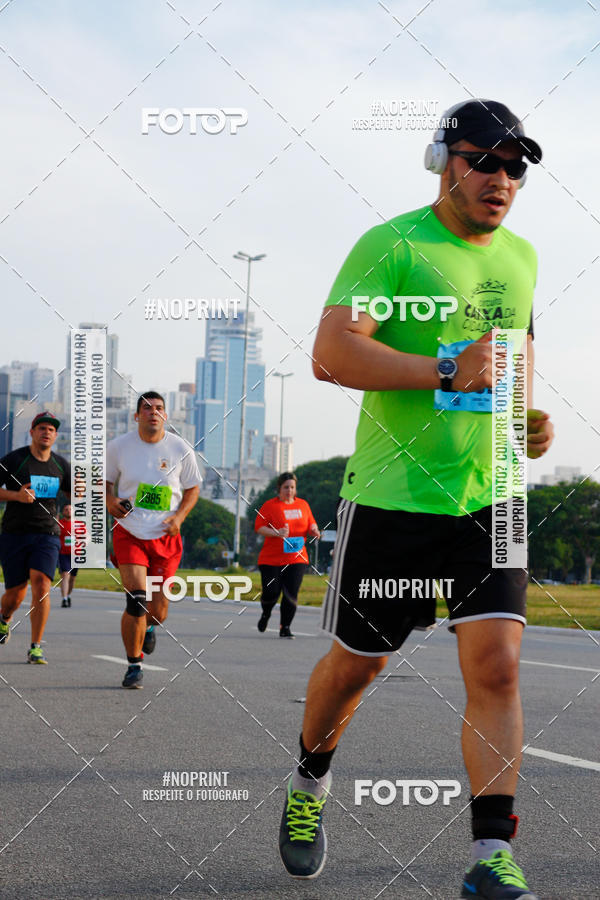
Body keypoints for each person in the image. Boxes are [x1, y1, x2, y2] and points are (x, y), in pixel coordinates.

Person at [278, 100, 555, 900]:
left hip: (492, 497)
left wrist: (527, 425)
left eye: (515, 166)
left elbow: (512, 357)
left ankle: (490, 855)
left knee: (498, 669)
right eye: (483, 160)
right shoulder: (392, 245)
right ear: (443, 160)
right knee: (357, 669)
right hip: (395, 497)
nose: (500, 179)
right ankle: (308, 784)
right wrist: (440, 371)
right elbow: (332, 353)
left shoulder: (523, 258)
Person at [106, 391, 201, 689]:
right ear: (137, 415)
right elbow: (104, 484)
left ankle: (148, 628)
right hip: (130, 531)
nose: (153, 412)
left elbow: (193, 488)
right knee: (135, 598)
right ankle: (134, 664)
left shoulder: (180, 448)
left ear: (166, 415)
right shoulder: (119, 447)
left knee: (157, 611)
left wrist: (179, 518)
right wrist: (110, 502)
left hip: (164, 536)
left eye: (159, 408)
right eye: (147, 408)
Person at [0, 412, 71, 664]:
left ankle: (35, 646)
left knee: (42, 585)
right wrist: (16, 496)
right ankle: (4, 618)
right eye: (42, 428)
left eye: (51, 430)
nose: (46, 433)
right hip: (14, 534)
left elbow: (76, 492)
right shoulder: (15, 460)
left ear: (55, 436)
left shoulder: (61, 465)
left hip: (47, 533)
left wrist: (72, 505)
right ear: (32, 432)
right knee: (15, 593)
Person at [254, 472, 320, 638]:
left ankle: (285, 627)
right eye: (286, 487)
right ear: (279, 489)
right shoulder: (270, 506)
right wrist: (276, 532)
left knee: (291, 593)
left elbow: (311, 523)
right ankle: (266, 613)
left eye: (292, 487)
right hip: (271, 559)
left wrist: (314, 530)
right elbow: (259, 527)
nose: (289, 491)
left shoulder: (303, 505)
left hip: (297, 557)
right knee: (271, 592)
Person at [57, 504, 78, 608]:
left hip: (75, 554)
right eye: (66, 509)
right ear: (63, 512)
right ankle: (64, 599)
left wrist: (85, 541)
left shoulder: (78, 524)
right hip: (63, 554)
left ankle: (68, 595)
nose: (68, 511)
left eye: (70, 509)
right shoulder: (59, 524)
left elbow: (87, 536)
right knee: (65, 575)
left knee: (72, 578)